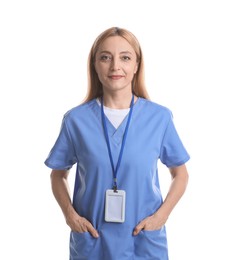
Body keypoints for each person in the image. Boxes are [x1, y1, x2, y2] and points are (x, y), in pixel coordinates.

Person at [44, 26, 190, 260]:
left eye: (125, 57)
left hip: (143, 241)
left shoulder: (159, 118)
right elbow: (58, 174)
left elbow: (180, 174)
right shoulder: (76, 120)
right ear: (94, 64)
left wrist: (161, 217)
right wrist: (70, 216)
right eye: (105, 57)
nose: (115, 66)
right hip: (92, 242)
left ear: (136, 65)